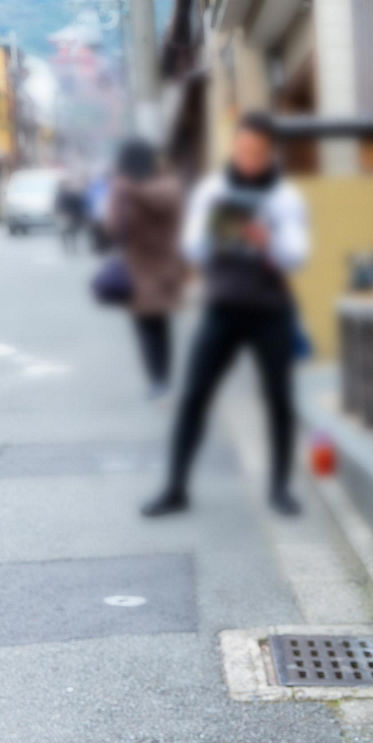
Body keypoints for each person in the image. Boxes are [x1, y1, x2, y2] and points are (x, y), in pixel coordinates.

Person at [142, 111, 310, 518]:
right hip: (221, 307)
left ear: (270, 153)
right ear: (234, 147)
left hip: (270, 310)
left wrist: (266, 239)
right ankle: (175, 487)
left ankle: (280, 489)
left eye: (256, 151)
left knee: (279, 400)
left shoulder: (284, 198)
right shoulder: (213, 190)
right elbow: (192, 249)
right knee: (194, 395)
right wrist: (218, 230)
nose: (248, 157)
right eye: (242, 149)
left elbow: (297, 256)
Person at [107, 139, 185, 397]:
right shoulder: (166, 182)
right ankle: (159, 378)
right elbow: (115, 229)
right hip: (149, 268)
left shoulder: (153, 186)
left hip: (156, 267)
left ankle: (159, 379)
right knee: (154, 326)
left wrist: (125, 190)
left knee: (153, 326)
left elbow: (115, 229)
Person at [56, 177, 87, 253]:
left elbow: (78, 204)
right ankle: (69, 248)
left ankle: (70, 248)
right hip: (66, 216)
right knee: (66, 232)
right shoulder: (64, 193)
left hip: (70, 216)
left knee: (70, 233)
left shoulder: (70, 193)